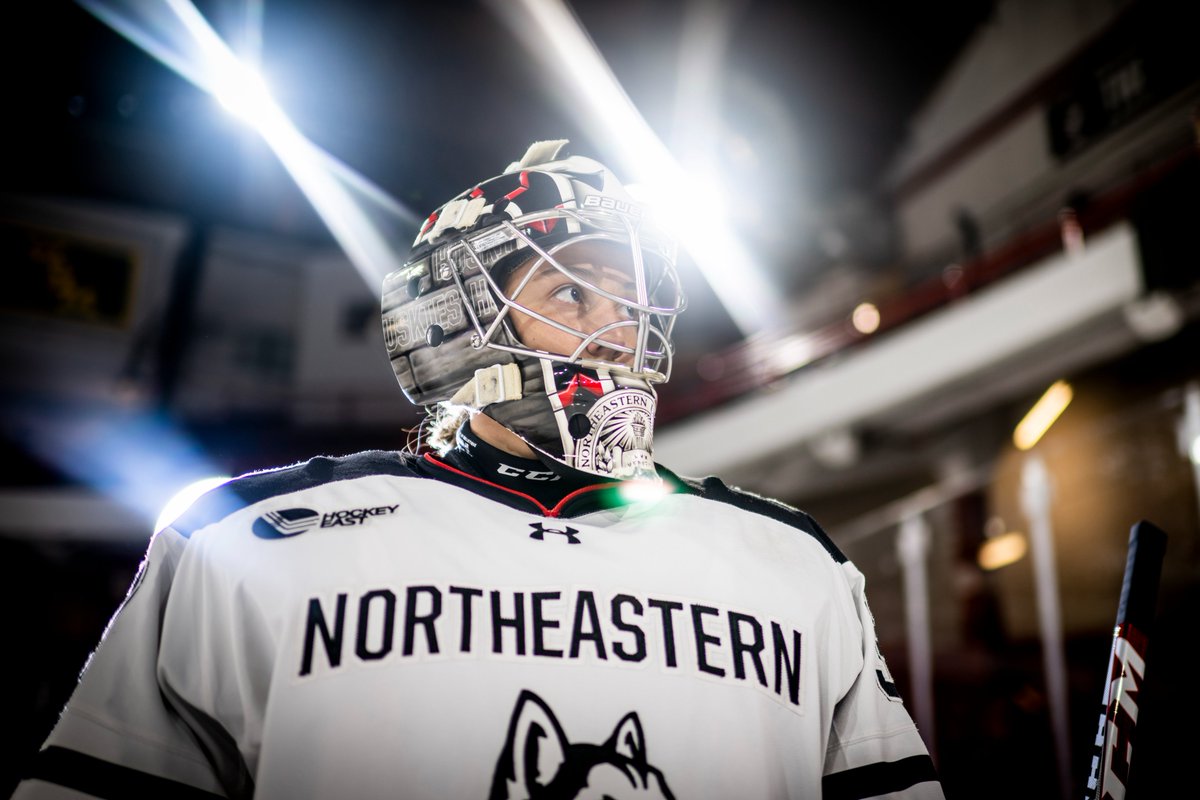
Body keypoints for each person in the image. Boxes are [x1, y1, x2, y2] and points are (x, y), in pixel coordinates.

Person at [13, 141, 943, 799]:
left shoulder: (796, 564)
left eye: (632, 301)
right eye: (572, 290)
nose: (618, 333)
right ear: (449, 322)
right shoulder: (246, 542)